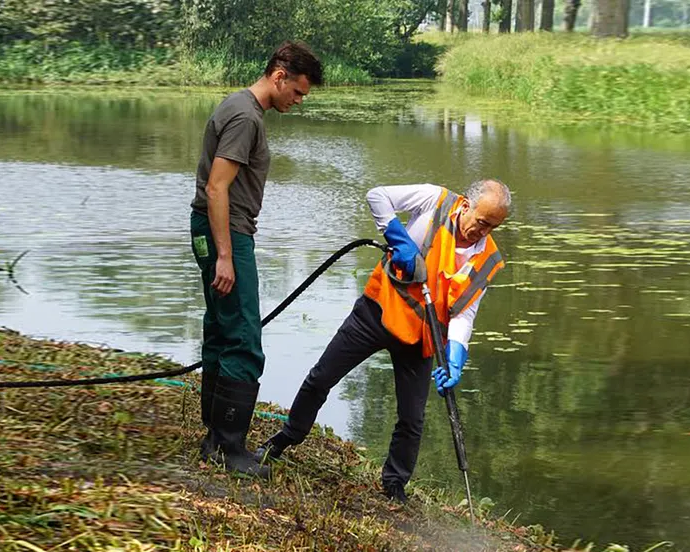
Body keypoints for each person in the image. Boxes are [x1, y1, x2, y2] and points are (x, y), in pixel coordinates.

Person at [255, 180, 511, 502]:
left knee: (412, 418)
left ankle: (394, 485)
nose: (482, 231)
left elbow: (464, 313)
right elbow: (378, 196)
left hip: (420, 337)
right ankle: (283, 440)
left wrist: (456, 353)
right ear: (466, 206)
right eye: (481, 221)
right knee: (321, 377)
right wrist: (398, 238)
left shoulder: (485, 257)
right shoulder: (435, 200)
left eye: (492, 227)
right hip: (378, 312)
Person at [189, 41, 323, 478]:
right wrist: (226, 256)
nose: (298, 101)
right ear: (279, 75)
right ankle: (229, 449)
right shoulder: (246, 116)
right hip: (226, 234)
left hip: (213, 231)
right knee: (244, 337)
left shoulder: (239, 107)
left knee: (221, 329)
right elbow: (216, 188)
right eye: (298, 92)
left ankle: (214, 439)